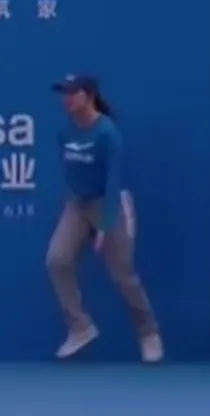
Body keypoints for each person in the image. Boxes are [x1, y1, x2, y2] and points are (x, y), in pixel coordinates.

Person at [46, 75, 164, 363]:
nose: (67, 99)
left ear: (89, 96)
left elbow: (113, 182)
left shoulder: (107, 133)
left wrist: (106, 224)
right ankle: (80, 327)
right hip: (77, 205)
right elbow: (71, 173)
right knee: (57, 260)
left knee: (123, 275)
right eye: (64, 93)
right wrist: (73, 203)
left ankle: (149, 333)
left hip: (108, 204)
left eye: (73, 93)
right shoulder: (64, 132)